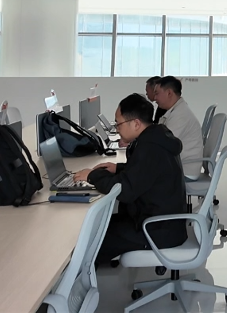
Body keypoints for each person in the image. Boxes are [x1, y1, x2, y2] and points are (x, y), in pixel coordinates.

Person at [73, 94, 188, 265]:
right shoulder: (157, 137)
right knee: (98, 227)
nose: (117, 128)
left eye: (118, 124)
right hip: (162, 223)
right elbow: (146, 173)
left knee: (91, 240)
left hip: (156, 230)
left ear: (136, 124)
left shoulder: (149, 148)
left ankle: (82, 277)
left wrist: (92, 176)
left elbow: (125, 190)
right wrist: (119, 168)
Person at [155, 76, 205, 179]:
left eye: (157, 93)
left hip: (185, 171)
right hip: (179, 166)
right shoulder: (175, 111)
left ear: (169, 93)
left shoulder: (180, 115)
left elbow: (163, 144)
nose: (155, 98)